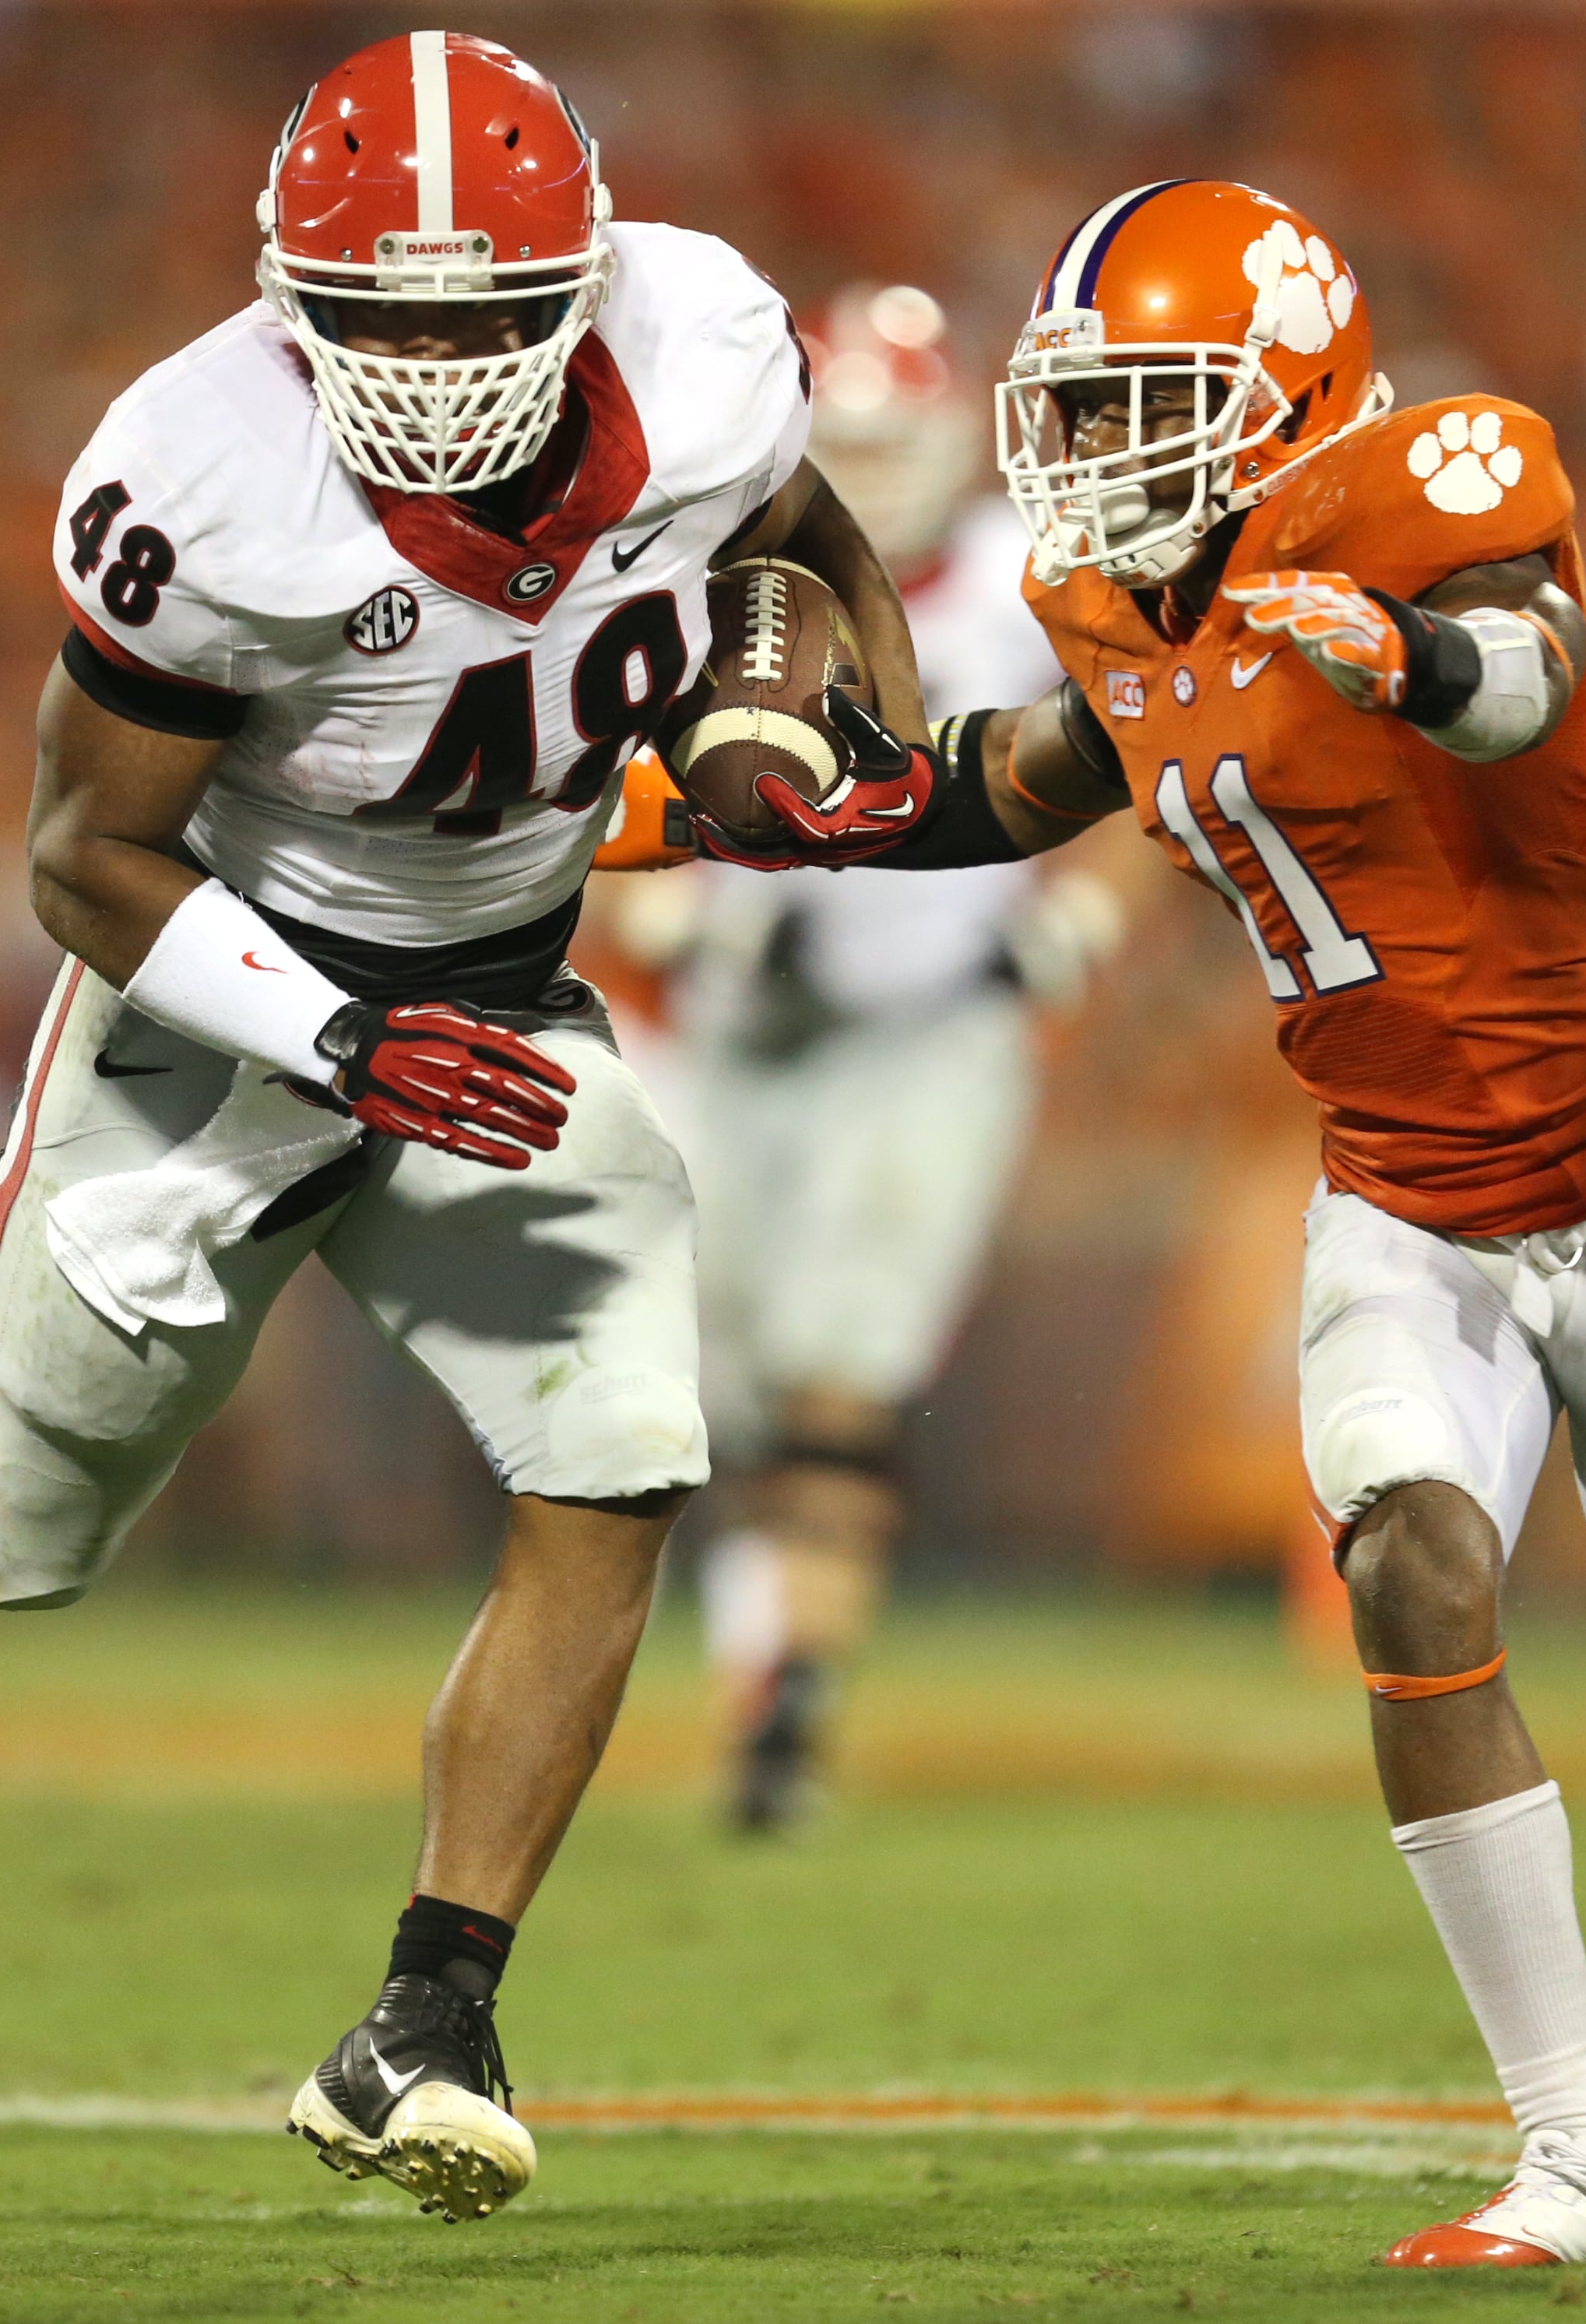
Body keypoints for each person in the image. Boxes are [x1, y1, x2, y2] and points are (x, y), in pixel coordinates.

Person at [0, 31, 921, 2225]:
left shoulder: (712, 343)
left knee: (625, 1448)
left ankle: (429, 2014)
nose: (439, 358)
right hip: (217, 1022)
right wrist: (341, 1035)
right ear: (290, 293)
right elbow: (85, 859)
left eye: (489, 309)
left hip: (507, 1008)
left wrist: (818, 702)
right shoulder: (197, 477)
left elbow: (792, 534)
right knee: (17, 1539)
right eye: (381, 311)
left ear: (584, 279)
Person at [728, 178, 1586, 2270]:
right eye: (1075, 411)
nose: (1088, 458)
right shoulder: (1125, 608)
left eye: (1143, 405)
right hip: (1403, 1201)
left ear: (1287, 387)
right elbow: (1064, 767)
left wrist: (1415, 656)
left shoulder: (1446, 482)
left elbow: (1526, 666)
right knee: (1408, 1558)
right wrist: (850, 807)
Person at [670, 285, 1121, 1830]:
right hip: (745, 1032)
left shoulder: (1027, 580)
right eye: (840, 439)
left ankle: (795, 1700)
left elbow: (1154, 747)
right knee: (714, 1379)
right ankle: (763, 1661)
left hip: (935, 1030)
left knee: (843, 1374)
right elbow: (603, 769)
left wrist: (1077, 926)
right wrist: (667, 913)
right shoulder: (726, 575)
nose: (865, 469)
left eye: (888, 437)